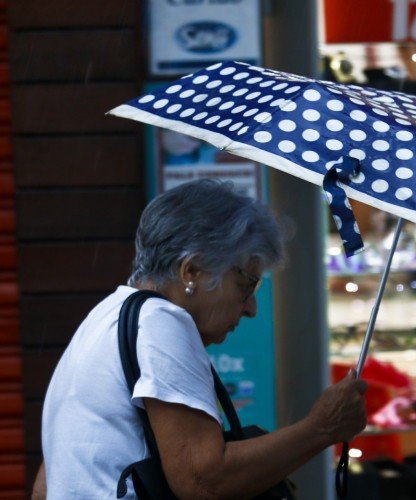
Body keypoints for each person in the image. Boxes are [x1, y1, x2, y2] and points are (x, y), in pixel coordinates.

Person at [33, 179, 368, 499]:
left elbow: (46, 486)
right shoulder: (161, 321)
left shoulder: (107, 315)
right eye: (246, 285)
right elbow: (203, 481)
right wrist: (321, 428)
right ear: (191, 271)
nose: (251, 308)